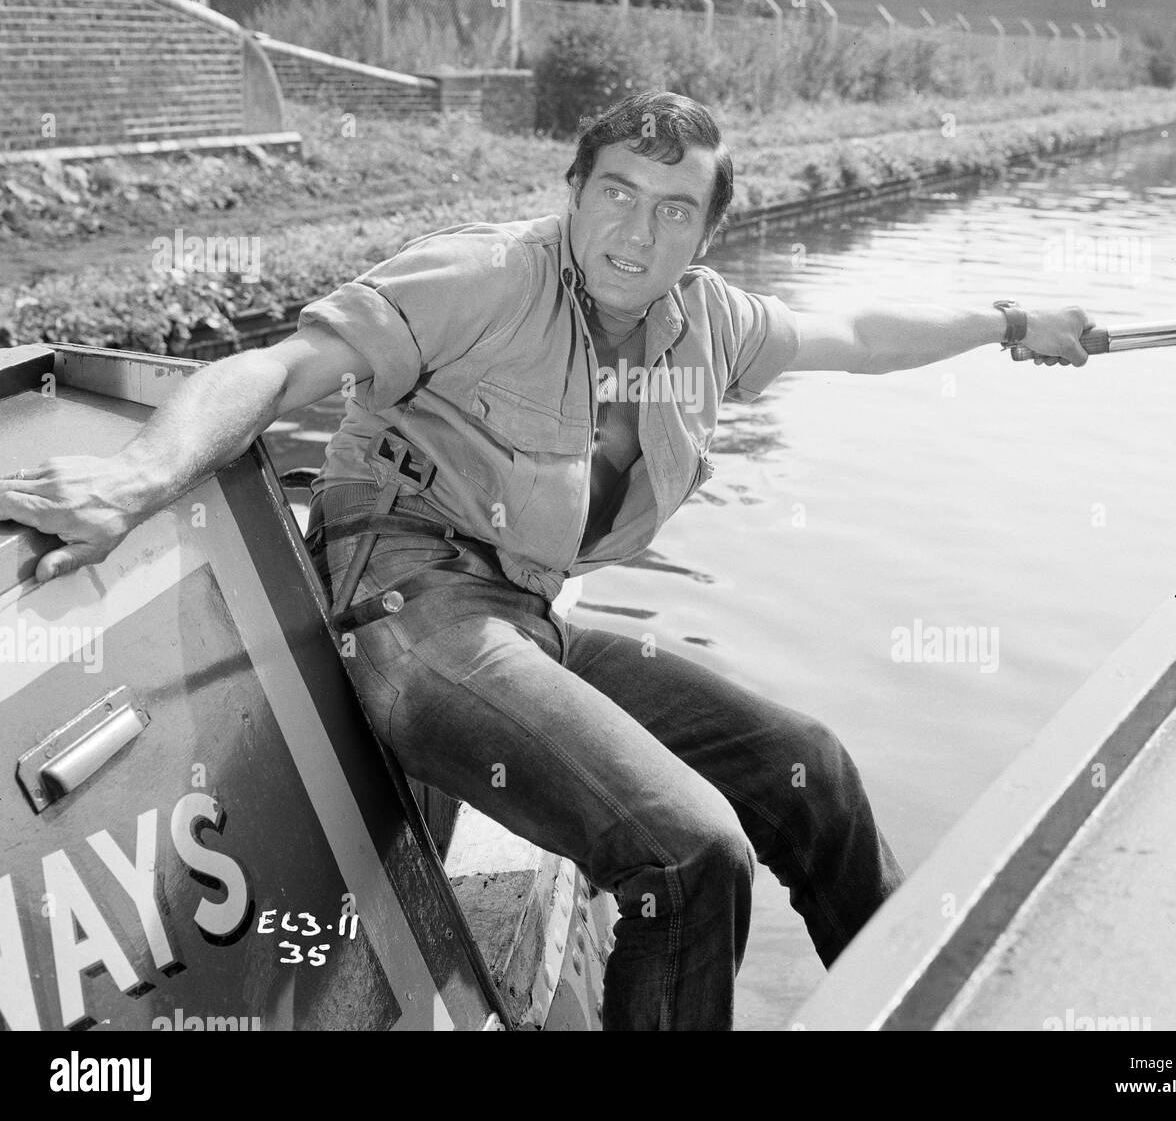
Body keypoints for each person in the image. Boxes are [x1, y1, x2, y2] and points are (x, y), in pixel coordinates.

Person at [0, 91, 1092, 1030]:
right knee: (687, 849)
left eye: (674, 210)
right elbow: (278, 371)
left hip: (521, 620)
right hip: (406, 609)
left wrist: (1007, 319)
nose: (635, 230)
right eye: (615, 191)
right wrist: (139, 473)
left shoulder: (704, 323)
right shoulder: (482, 276)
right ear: (573, 189)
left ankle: (913, 1005)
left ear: (706, 234)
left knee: (813, 770)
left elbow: (857, 335)